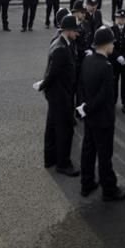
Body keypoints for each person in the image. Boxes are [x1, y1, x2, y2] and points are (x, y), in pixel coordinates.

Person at [77, 26, 125, 201]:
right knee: (105, 154)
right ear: (106, 45)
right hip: (103, 118)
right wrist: (89, 107)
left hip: (89, 116)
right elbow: (105, 95)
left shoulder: (87, 60)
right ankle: (109, 189)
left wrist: (84, 106)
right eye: (112, 43)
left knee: (88, 150)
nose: (113, 46)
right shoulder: (106, 66)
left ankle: (86, 183)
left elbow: (81, 85)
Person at [37, 14, 80, 177]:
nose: (77, 33)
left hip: (56, 94)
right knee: (65, 130)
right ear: (67, 30)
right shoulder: (61, 48)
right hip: (61, 95)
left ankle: (50, 159)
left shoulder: (59, 42)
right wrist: (43, 85)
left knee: (52, 127)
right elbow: (52, 72)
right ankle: (63, 164)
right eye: (75, 31)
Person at [109, 9, 125, 113]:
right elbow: (110, 45)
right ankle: (113, 101)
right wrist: (117, 56)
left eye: (123, 18)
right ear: (116, 19)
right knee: (113, 81)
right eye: (119, 18)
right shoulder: (111, 30)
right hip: (115, 60)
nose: (121, 20)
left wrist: (124, 57)